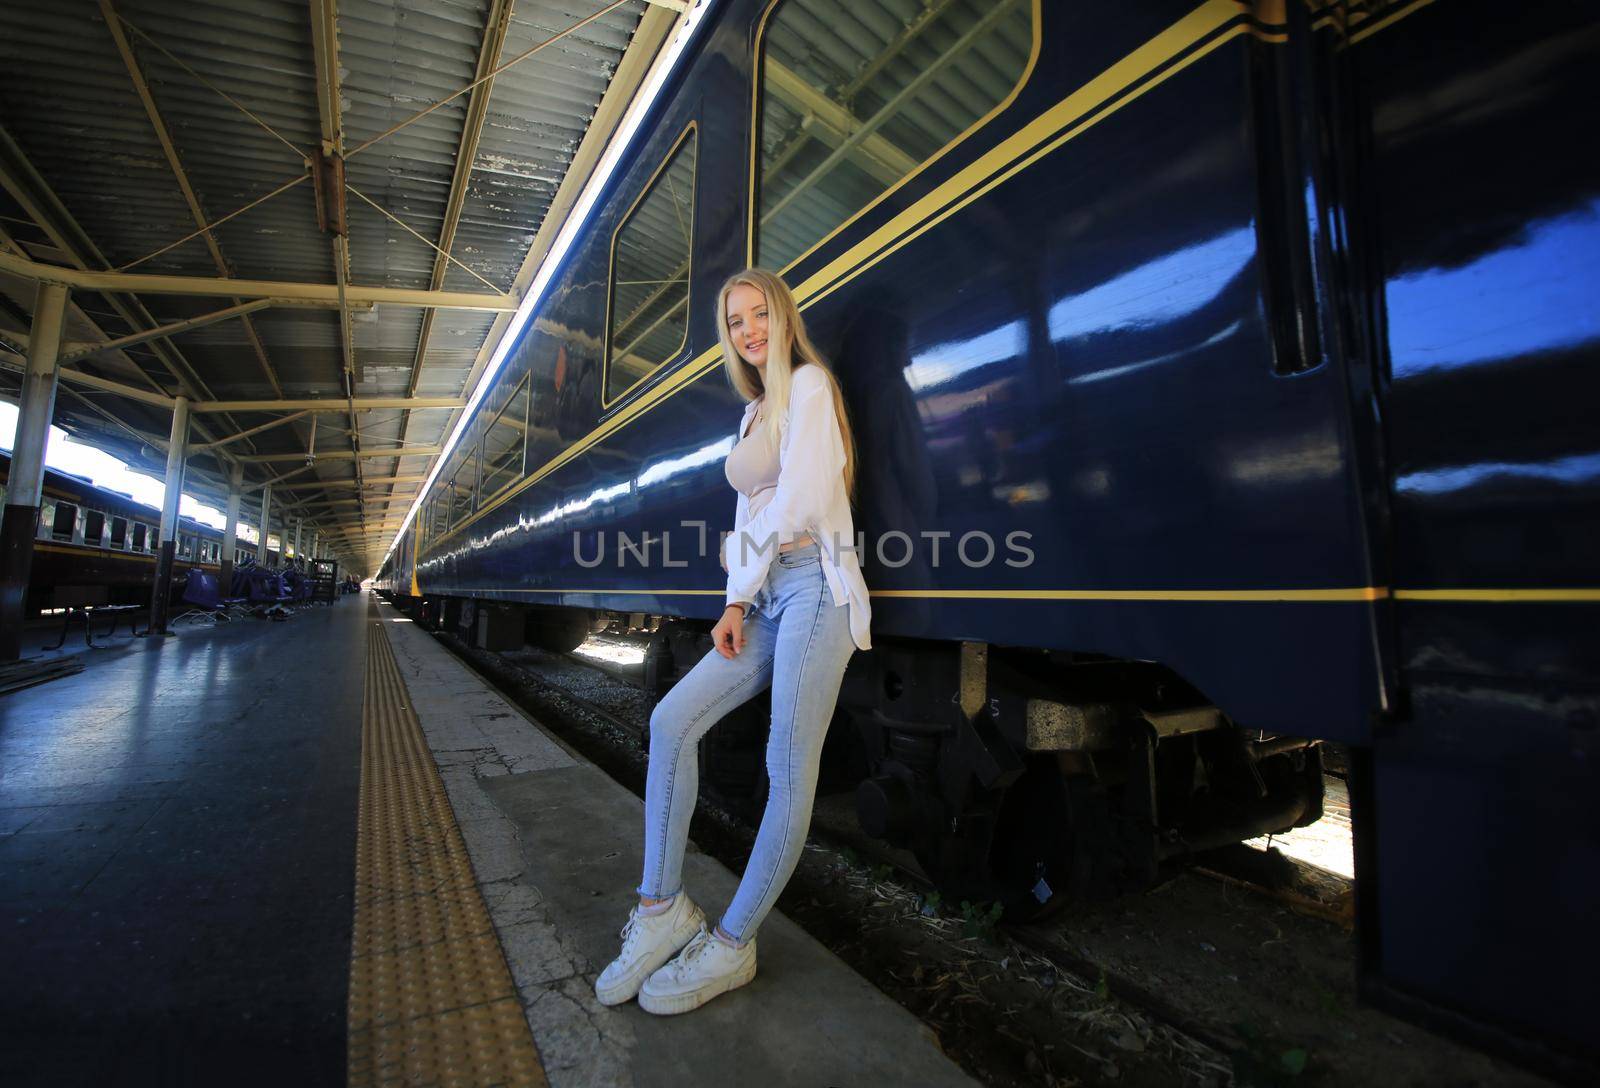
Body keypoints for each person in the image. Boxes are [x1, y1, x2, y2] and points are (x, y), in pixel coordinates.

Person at [596, 268, 872, 1016]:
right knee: (669, 722)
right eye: (735, 322)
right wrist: (736, 601)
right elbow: (750, 511)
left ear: (783, 316)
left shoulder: (809, 388)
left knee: (787, 765)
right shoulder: (752, 416)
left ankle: (732, 942)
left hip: (817, 584)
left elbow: (806, 496)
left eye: (759, 314)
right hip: (769, 596)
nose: (749, 330)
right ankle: (660, 912)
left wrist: (752, 571)